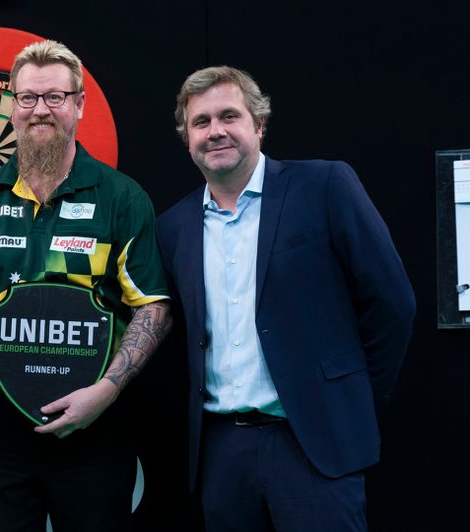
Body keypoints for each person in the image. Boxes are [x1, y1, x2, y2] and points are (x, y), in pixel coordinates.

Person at [156, 66, 416, 531]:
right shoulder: (173, 227)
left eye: (229, 116)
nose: (216, 131)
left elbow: (393, 305)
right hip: (222, 454)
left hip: (315, 446)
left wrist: (348, 399)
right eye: (201, 122)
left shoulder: (324, 186)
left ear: (259, 124)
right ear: (186, 136)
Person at [0, 40, 172, 532]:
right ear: (12, 107)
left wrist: (105, 392)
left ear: (79, 105)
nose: (41, 110)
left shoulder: (120, 198)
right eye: (28, 98)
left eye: (55, 97)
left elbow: (153, 309)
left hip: (94, 422)